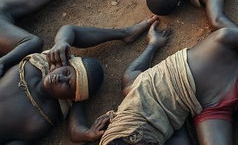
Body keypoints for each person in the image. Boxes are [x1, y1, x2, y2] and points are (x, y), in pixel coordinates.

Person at [99, 18, 238, 145]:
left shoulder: (131, 86)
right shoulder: (151, 126)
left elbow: (224, 36)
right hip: (205, 107)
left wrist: (154, 44)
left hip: (221, 68)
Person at [0, 18, 156, 144]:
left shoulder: (57, 109)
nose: (60, 78)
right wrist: (62, 42)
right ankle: (125, 33)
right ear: (62, 64)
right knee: (34, 42)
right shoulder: (40, 65)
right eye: (66, 72)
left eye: (67, 84)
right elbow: (69, 30)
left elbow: (76, 131)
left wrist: (88, 134)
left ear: (71, 97)